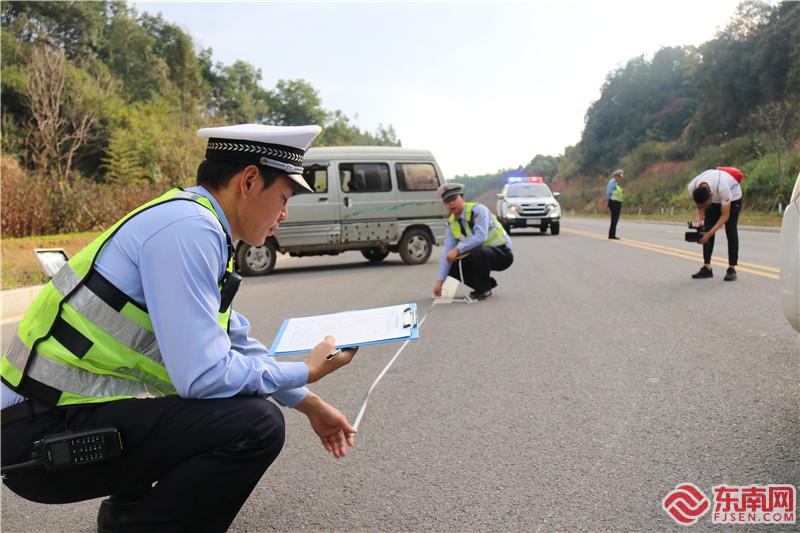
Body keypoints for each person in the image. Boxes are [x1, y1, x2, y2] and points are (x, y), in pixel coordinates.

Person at [1, 124, 359, 532]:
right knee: (255, 424)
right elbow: (204, 378)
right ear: (248, 180)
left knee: (226, 410)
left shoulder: (193, 221)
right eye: (283, 198)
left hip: (48, 421)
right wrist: (307, 369)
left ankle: (128, 515)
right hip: (38, 439)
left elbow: (234, 341)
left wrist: (310, 403)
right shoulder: (189, 229)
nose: (284, 214)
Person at [432, 183, 513, 301]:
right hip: (479, 256)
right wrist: (440, 281)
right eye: (447, 201)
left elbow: (480, 237)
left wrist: (457, 249)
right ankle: (485, 284)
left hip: (501, 254)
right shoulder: (451, 223)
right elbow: (447, 252)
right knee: (451, 263)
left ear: (463, 198)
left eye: (454, 199)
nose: (451, 203)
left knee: (478, 252)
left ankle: (482, 290)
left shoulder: (479, 210)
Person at [687, 167, 743, 281]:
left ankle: (731, 268)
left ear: (711, 195)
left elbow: (725, 216)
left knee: (730, 229)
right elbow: (700, 206)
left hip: (733, 197)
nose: (705, 207)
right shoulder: (692, 187)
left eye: (707, 205)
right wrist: (699, 223)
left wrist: (709, 234)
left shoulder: (723, 187)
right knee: (705, 227)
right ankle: (706, 268)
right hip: (715, 197)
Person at [606, 169, 624, 239]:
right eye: (619, 176)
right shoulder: (612, 182)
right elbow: (608, 192)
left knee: (615, 219)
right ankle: (611, 235)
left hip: (616, 202)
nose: (620, 178)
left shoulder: (615, 183)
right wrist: (607, 201)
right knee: (614, 219)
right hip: (613, 202)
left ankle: (612, 234)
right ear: (616, 176)